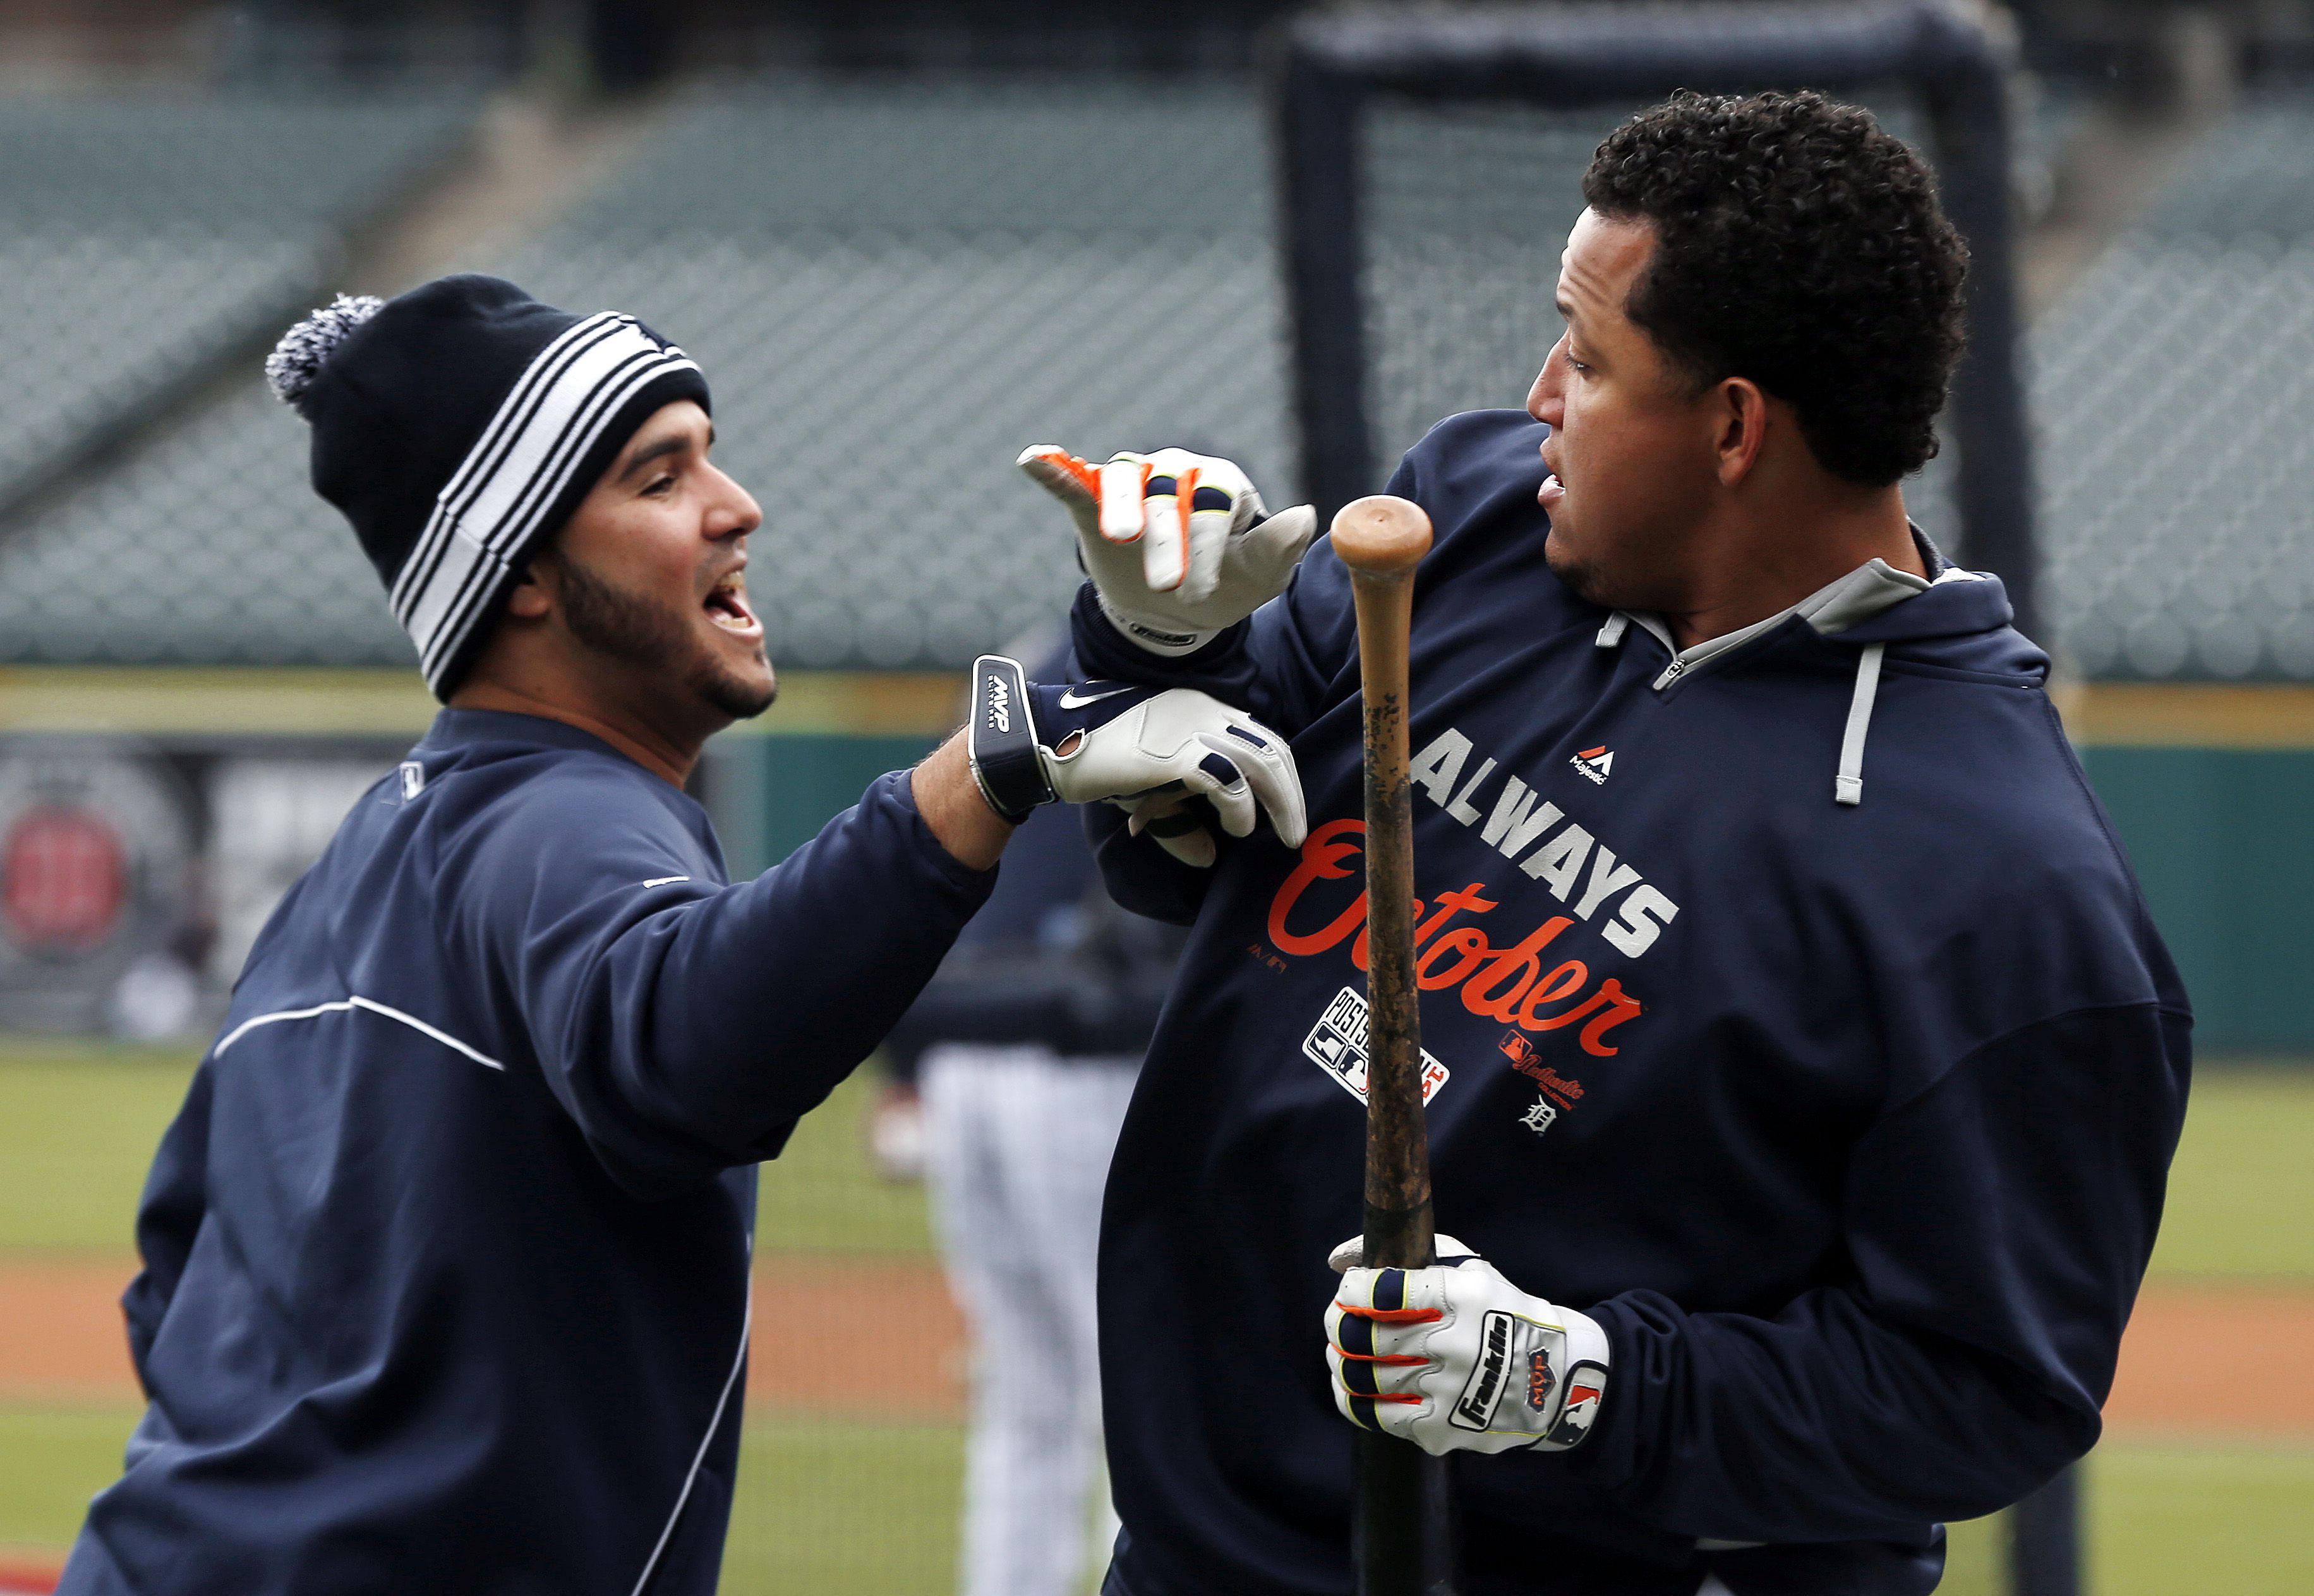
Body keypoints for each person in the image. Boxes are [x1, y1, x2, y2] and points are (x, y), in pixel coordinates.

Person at [1021, 92, 2192, 1596]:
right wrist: (1151, 645)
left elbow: (1986, 1391)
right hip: (1200, 1555)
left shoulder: (2008, 888)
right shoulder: (1467, 521)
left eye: (1586, 359)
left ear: (1730, 425)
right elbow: (1191, 851)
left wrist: (1577, 1384)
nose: (1533, 399)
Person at [57, 274, 1305, 1596]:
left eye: (709, 455)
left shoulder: (362, 862)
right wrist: (983, 776)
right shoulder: (567, 816)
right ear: (524, 573)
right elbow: (682, 1044)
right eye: (660, 477)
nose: (736, 504)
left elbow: (176, 1278)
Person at [880, 632, 1188, 1596]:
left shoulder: (1016, 666)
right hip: (1074, 1069)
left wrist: (908, 1064)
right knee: (1128, 1394)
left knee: (1026, 1400)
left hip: (964, 1055)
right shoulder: (1176, 678)